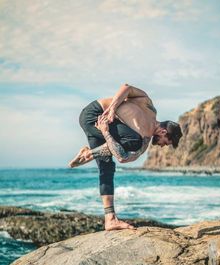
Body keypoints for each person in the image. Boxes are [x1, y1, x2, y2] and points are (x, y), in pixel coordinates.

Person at [68, 84, 183, 231]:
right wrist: (112, 109)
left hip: (103, 126)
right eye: (166, 143)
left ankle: (110, 219)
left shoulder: (145, 140)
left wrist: (105, 133)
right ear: (163, 131)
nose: (162, 146)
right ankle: (89, 153)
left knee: (107, 168)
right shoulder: (147, 105)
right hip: (95, 114)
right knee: (134, 141)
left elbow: (123, 157)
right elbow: (127, 87)